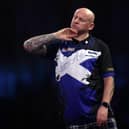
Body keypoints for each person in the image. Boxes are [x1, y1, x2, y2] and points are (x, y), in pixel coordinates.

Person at [23, 8, 118, 129]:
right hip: (72, 123)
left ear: (91, 26)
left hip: (98, 118)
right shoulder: (59, 45)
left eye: (81, 19)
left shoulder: (100, 46)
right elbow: (28, 46)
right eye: (75, 17)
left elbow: (109, 79)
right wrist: (55, 35)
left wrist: (105, 105)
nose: (76, 21)